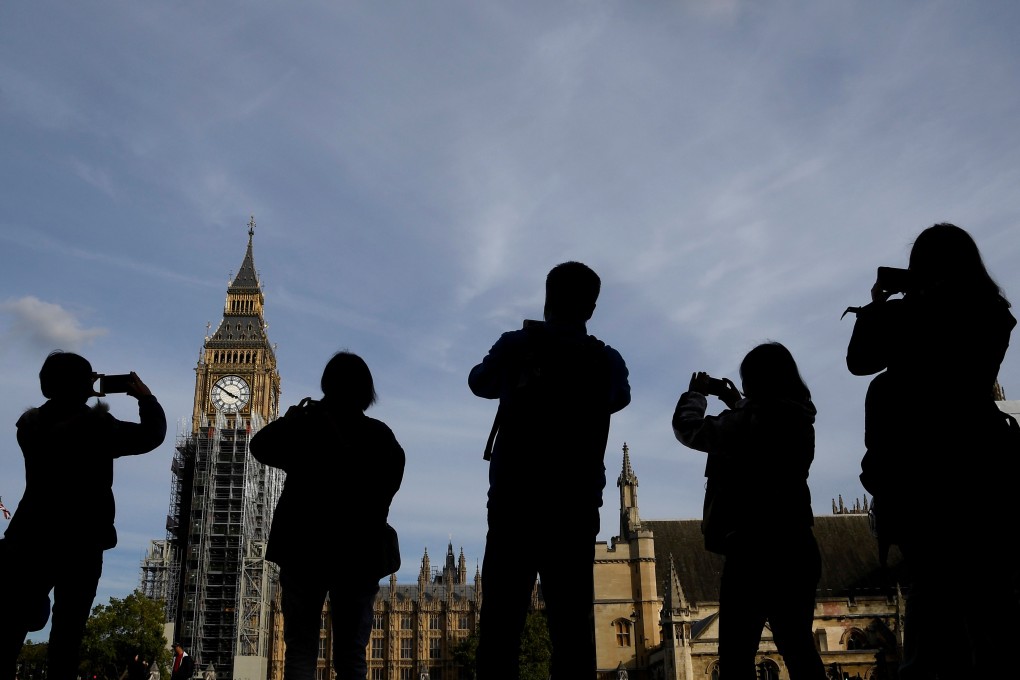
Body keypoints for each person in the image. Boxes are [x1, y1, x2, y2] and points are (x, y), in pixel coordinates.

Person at [846, 222, 1018, 680]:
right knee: (989, 605)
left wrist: (881, 303)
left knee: (936, 604)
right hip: (981, 465)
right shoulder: (992, 311)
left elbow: (859, 361)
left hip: (921, 471)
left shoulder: (915, 313)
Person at [469, 261, 631, 679]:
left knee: (501, 626)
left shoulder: (517, 346)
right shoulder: (606, 360)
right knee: (572, 630)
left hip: (514, 503)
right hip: (574, 507)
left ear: (546, 299)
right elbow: (619, 398)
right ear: (591, 308)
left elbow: (479, 382)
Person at [0, 351, 167, 680]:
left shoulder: (28, 427)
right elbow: (152, 435)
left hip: (30, 536)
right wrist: (145, 398)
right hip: (81, 541)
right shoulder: (95, 427)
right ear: (81, 384)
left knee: (10, 626)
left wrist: (81, 390)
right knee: (67, 636)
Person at [672, 342, 825, 680]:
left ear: (756, 380)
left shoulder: (745, 422)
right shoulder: (800, 418)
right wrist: (735, 401)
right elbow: (762, 420)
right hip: (797, 543)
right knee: (798, 648)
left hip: (753, 551)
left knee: (737, 655)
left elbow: (688, 428)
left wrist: (695, 394)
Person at [249, 351, 405, 680]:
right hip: (359, 556)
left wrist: (291, 419)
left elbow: (259, 446)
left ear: (326, 386)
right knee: (351, 656)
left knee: (301, 651)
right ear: (367, 391)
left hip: (305, 552)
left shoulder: (306, 429)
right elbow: (390, 486)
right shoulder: (381, 437)